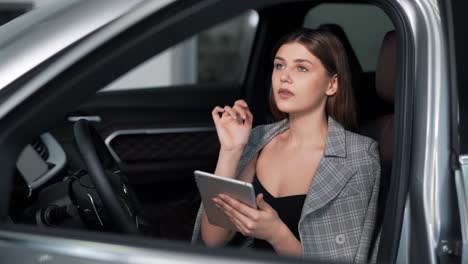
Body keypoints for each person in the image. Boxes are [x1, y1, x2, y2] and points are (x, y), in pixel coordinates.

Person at [191, 28, 381, 264]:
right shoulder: (257, 139)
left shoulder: (359, 157)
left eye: (301, 68)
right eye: (279, 66)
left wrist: (276, 234)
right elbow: (213, 240)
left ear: (331, 85)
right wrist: (231, 151)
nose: (284, 77)